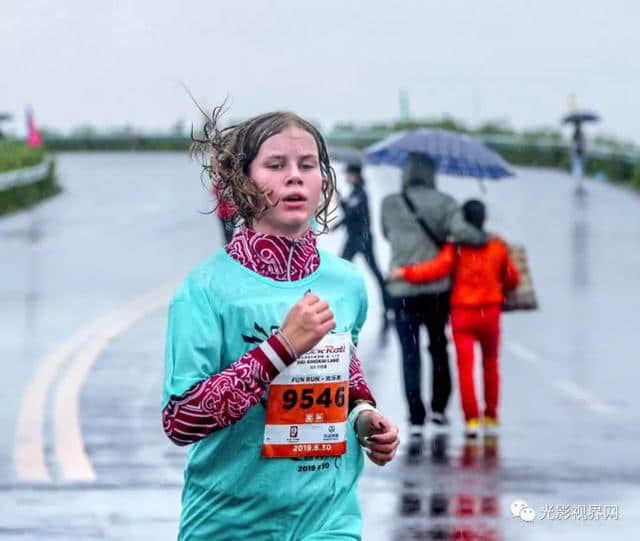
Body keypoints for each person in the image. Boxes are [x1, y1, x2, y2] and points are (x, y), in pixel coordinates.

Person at [163, 109, 399, 540]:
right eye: (276, 165)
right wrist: (280, 347)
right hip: (231, 525)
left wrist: (365, 419)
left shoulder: (346, 283)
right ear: (242, 181)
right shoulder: (205, 290)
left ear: (323, 182)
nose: (295, 177)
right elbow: (181, 419)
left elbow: (345, 378)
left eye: (307, 166)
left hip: (330, 523)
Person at [381, 153, 486, 453]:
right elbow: (463, 234)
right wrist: (482, 236)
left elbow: (388, 235)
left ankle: (415, 415)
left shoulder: (390, 202)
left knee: (409, 353)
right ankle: (439, 410)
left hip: (401, 289)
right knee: (438, 348)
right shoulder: (445, 202)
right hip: (437, 291)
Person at [389, 199, 520, 438]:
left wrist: (405, 273)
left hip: (463, 316)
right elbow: (512, 278)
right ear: (485, 219)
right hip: (490, 314)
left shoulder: (457, 248)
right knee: (491, 365)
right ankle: (490, 416)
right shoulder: (497, 246)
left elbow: (436, 269)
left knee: (466, 369)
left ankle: (471, 420)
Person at [332, 163, 391, 335]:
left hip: (361, 239)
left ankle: (388, 305)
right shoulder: (355, 193)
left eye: (349, 174)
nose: (347, 177)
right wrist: (340, 199)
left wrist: (337, 222)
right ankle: (335, 306)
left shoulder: (361, 193)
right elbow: (349, 211)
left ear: (356, 175)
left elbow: (351, 213)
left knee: (343, 271)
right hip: (356, 238)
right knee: (342, 271)